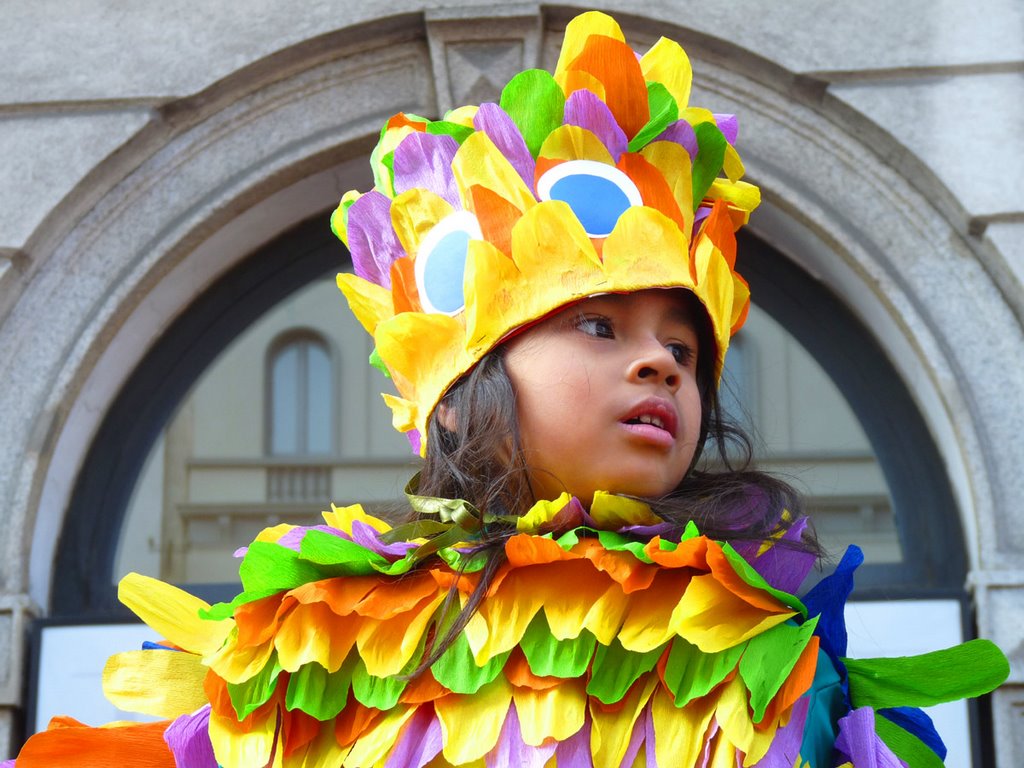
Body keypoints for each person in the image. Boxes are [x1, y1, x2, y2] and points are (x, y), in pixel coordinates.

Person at [8, 10, 1008, 768]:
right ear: (455, 392)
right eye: (596, 324)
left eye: (683, 349)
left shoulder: (770, 647)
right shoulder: (308, 646)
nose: (660, 362)